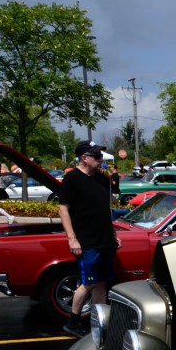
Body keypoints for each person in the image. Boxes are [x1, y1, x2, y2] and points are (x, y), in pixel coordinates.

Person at [58, 141, 120, 338]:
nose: (101, 159)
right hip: (86, 241)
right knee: (89, 282)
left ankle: (100, 322)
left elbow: (105, 209)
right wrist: (72, 239)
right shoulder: (72, 178)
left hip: (105, 239)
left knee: (101, 282)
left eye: (101, 155)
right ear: (84, 158)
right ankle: (73, 322)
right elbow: (63, 209)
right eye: (97, 156)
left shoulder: (102, 178)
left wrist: (113, 234)